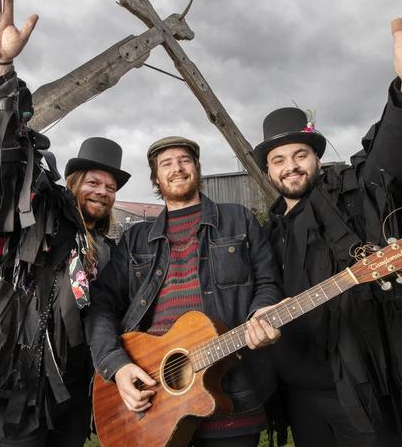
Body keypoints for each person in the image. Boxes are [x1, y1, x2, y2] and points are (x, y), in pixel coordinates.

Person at [252, 0, 402, 447]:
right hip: (297, 394)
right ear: (268, 171)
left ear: (316, 157)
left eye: (299, 155)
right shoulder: (266, 231)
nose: (291, 167)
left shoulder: (346, 196)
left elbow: (389, 163)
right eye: (278, 160)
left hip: (363, 387)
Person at [0, 0, 130, 446]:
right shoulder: (42, 212)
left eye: (111, 186)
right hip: (19, 381)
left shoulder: (111, 248)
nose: (102, 190)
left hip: (76, 389)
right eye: (93, 181)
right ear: (73, 182)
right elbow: (3, 162)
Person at [86, 136, 283, 447]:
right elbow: (101, 303)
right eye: (166, 164)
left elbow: (268, 282)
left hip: (235, 396)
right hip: (157, 405)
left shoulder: (239, 218)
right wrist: (117, 365)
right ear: (155, 177)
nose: (177, 168)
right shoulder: (135, 239)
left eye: (184, 160)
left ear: (197, 168)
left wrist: (262, 312)